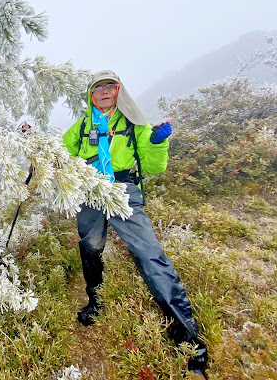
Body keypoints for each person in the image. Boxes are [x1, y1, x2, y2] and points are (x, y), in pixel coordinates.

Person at [62, 70, 208, 379]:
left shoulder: (135, 123)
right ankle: (95, 303)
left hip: (123, 189)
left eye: (109, 86)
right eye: (97, 87)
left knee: (148, 254)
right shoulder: (82, 126)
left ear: (119, 91)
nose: (103, 91)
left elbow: (154, 166)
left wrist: (156, 143)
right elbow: (63, 154)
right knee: (90, 247)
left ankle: (189, 342)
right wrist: (29, 138)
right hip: (90, 191)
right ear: (91, 94)